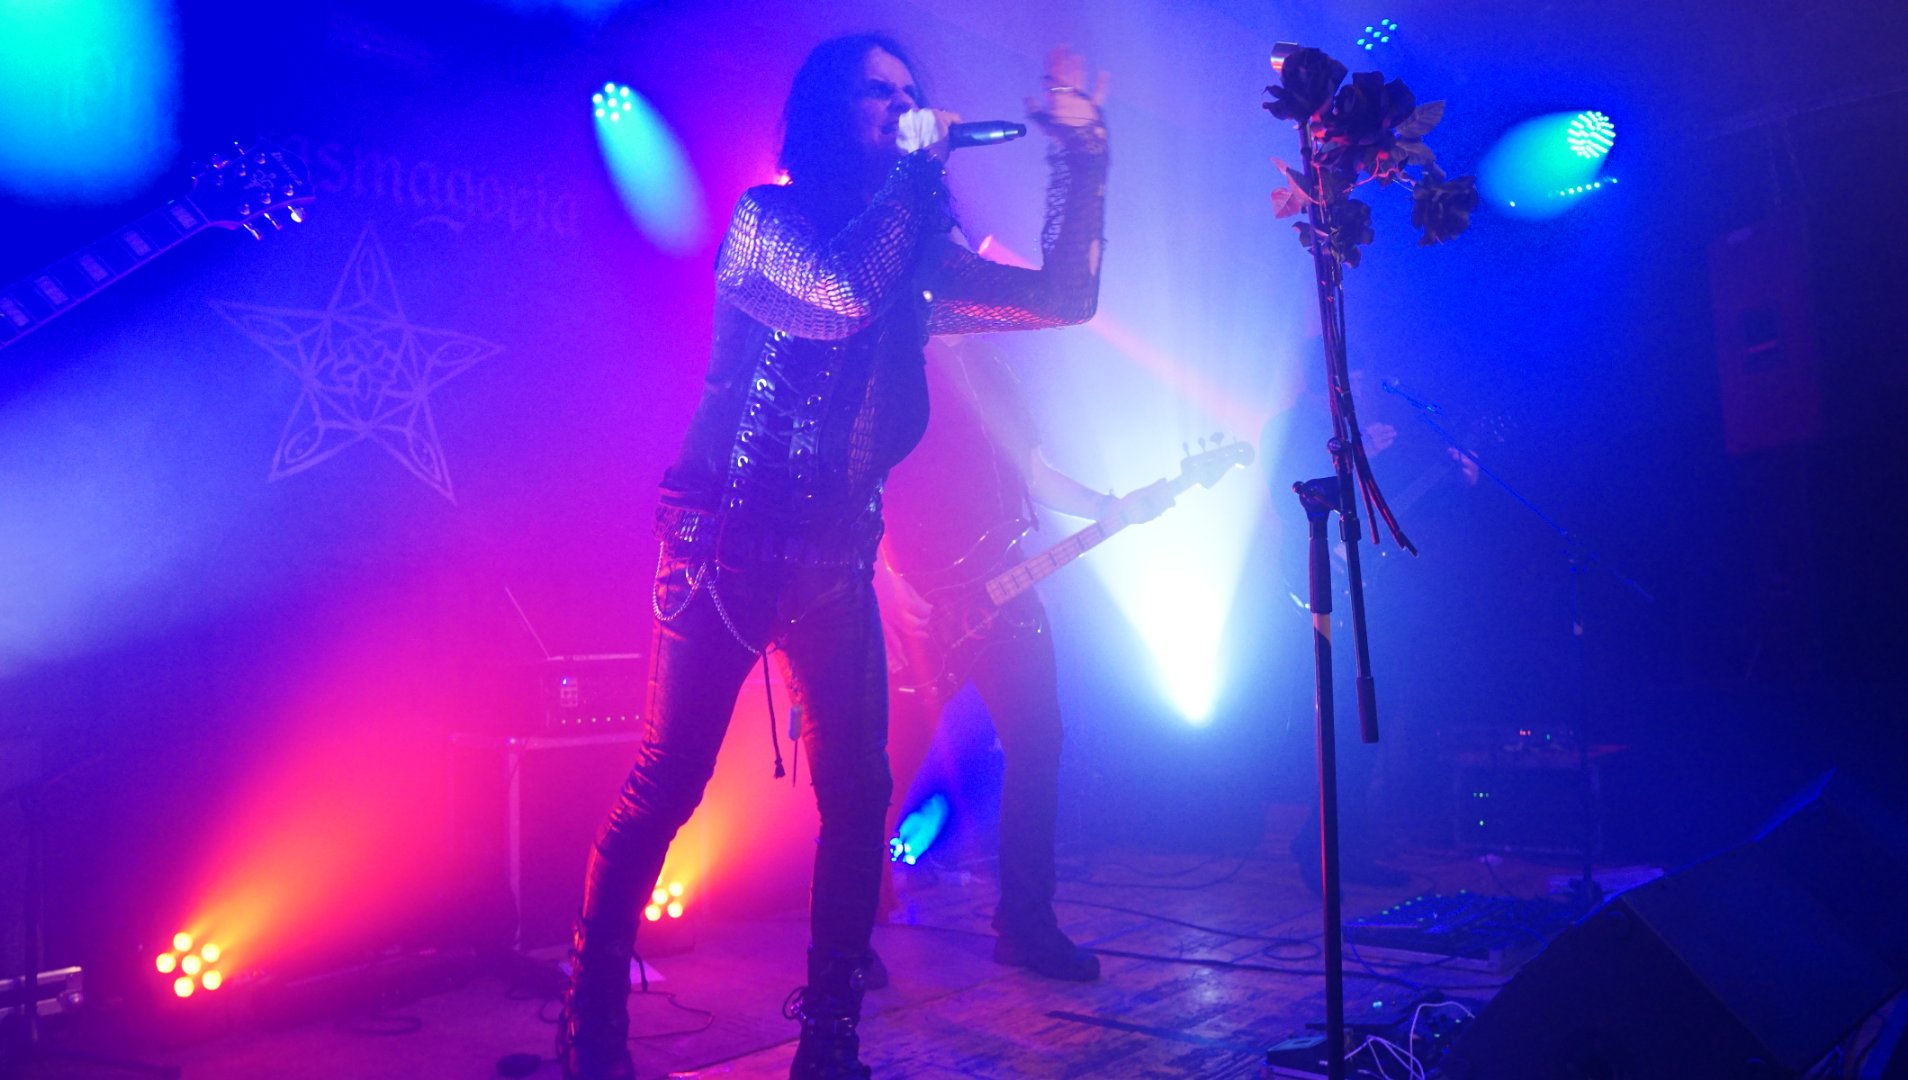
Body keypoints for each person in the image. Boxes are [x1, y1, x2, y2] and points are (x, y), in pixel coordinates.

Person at [558, 34, 1110, 1080]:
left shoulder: (915, 262)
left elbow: (1062, 301)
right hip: (721, 547)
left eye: (910, 93)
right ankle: (590, 1024)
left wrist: (1083, 156)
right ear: (825, 109)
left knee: (859, 796)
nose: (899, 107)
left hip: (836, 558)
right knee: (668, 782)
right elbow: (844, 293)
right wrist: (920, 171)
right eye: (877, 93)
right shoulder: (766, 224)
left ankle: (831, 1041)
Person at [873, 335, 1168, 984]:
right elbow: (865, 482)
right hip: (925, 597)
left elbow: (1034, 474)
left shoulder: (994, 367)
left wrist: (1109, 508)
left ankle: (1027, 924)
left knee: (1039, 745)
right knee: (888, 763)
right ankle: (849, 925)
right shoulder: (900, 361)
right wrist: (886, 582)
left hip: (1007, 586)